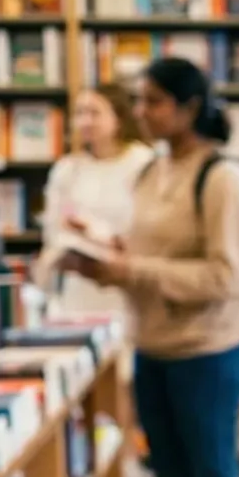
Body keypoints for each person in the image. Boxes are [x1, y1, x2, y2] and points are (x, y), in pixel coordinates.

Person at [60, 57, 239, 477]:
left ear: (188, 107)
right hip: (151, 347)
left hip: (209, 352)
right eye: (140, 101)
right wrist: (103, 253)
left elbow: (229, 277)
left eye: (153, 102)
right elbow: (152, 250)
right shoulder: (152, 170)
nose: (142, 112)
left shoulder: (225, 179)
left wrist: (129, 269)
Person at [36, 84, 154, 318]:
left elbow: (149, 228)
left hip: (126, 283)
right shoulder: (68, 169)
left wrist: (96, 233)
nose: (86, 121)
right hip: (79, 289)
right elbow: (53, 229)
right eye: (80, 113)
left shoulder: (143, 163)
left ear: (118, 117)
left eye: (95, 113)